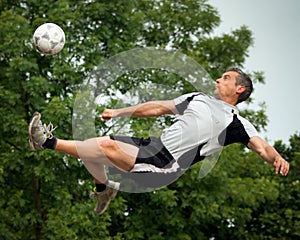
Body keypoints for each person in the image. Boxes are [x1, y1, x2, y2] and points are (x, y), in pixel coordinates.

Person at [28, 67, 290, 215]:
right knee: (91, 149)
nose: (218, 80)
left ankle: (45, 141)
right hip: (151, 145)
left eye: (225, 78)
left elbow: (261, 146)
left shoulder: (236, 122)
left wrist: (276, 157)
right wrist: (120, 111)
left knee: (103, 147)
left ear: (239, 89)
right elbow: (157, 108)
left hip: (168, 163)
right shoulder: (196, 98)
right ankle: (104, 189)